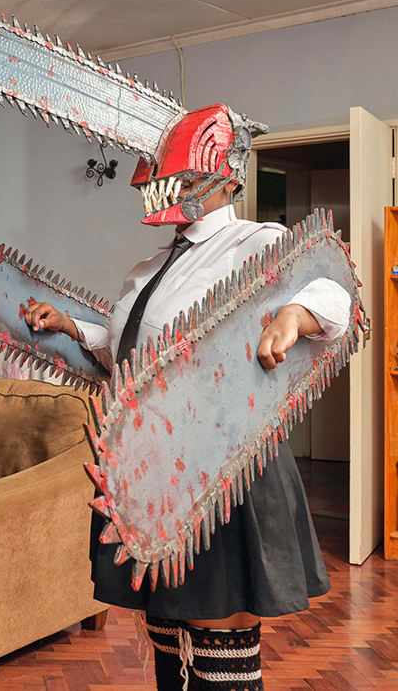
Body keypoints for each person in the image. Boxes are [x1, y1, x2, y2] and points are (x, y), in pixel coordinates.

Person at [24, 174, 350, 691]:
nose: (178, 189)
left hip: (224, 467)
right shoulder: (147, 269)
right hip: (150, 468)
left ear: (229, 181)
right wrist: (73, 328)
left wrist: (295, 314)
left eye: (192, 179)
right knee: (167, 629)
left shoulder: (257, 242)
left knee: (217, 637)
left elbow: (335, 291)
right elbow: (128, 355)